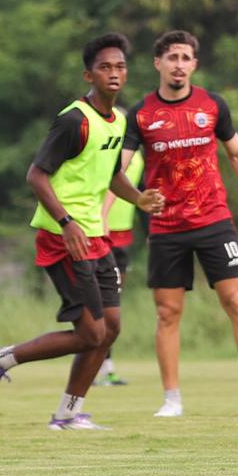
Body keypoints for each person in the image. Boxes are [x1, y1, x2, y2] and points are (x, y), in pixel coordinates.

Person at [0, 33, 164, 430]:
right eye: (104, 67)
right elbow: (36, 175)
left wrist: (139, 199)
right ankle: (2, 358)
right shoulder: (74, 120)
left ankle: (67, 414)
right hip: (63, 238)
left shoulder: (119, 120)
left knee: (110, 329)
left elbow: (111, 176)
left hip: (97, 237)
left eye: (120, 67)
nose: (114, 74)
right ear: (88, 75)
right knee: (91, 333)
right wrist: (66, 222)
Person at [121, 30, 238, 418]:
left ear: (194, 65)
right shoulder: (140, 114)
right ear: (158, 64)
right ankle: (171, 399)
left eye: (185, 58)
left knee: (236, 299)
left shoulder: (212, 105)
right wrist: (133, 200)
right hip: (166, 227)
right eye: (172, 58)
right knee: (167, 313)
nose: (179, 65)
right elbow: (118, 169)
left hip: (213, 219)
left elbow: (237, 153)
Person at [95, 149, 145, 386]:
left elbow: (141, 191)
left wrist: (151, 230)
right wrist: (101, 216)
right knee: (94, 307)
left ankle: (106, 369)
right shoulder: (104, 148)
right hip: (95, 234)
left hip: (122, 240)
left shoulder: (138, 156)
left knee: (112, 307)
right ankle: (91, 366)